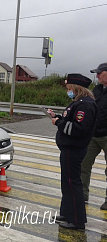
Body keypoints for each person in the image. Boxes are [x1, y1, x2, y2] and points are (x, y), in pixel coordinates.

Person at [48, 73, 97, 230]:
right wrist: (57, 117)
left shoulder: (85, 105)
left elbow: (78, 129)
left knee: (73, 184)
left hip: (74, 149)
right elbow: (69, 121)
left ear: (76, 88)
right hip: (69, 148)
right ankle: (67, 213)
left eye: (69, 88)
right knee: (67, 183)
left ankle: (76, 220)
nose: (68, 90)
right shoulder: (78, 103)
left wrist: (58, 123)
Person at [81, 62, 107, 211]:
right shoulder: (96, 90)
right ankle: (82, 195)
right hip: (93, 135)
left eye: (99, 73)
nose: (97, 76)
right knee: (84, 164)